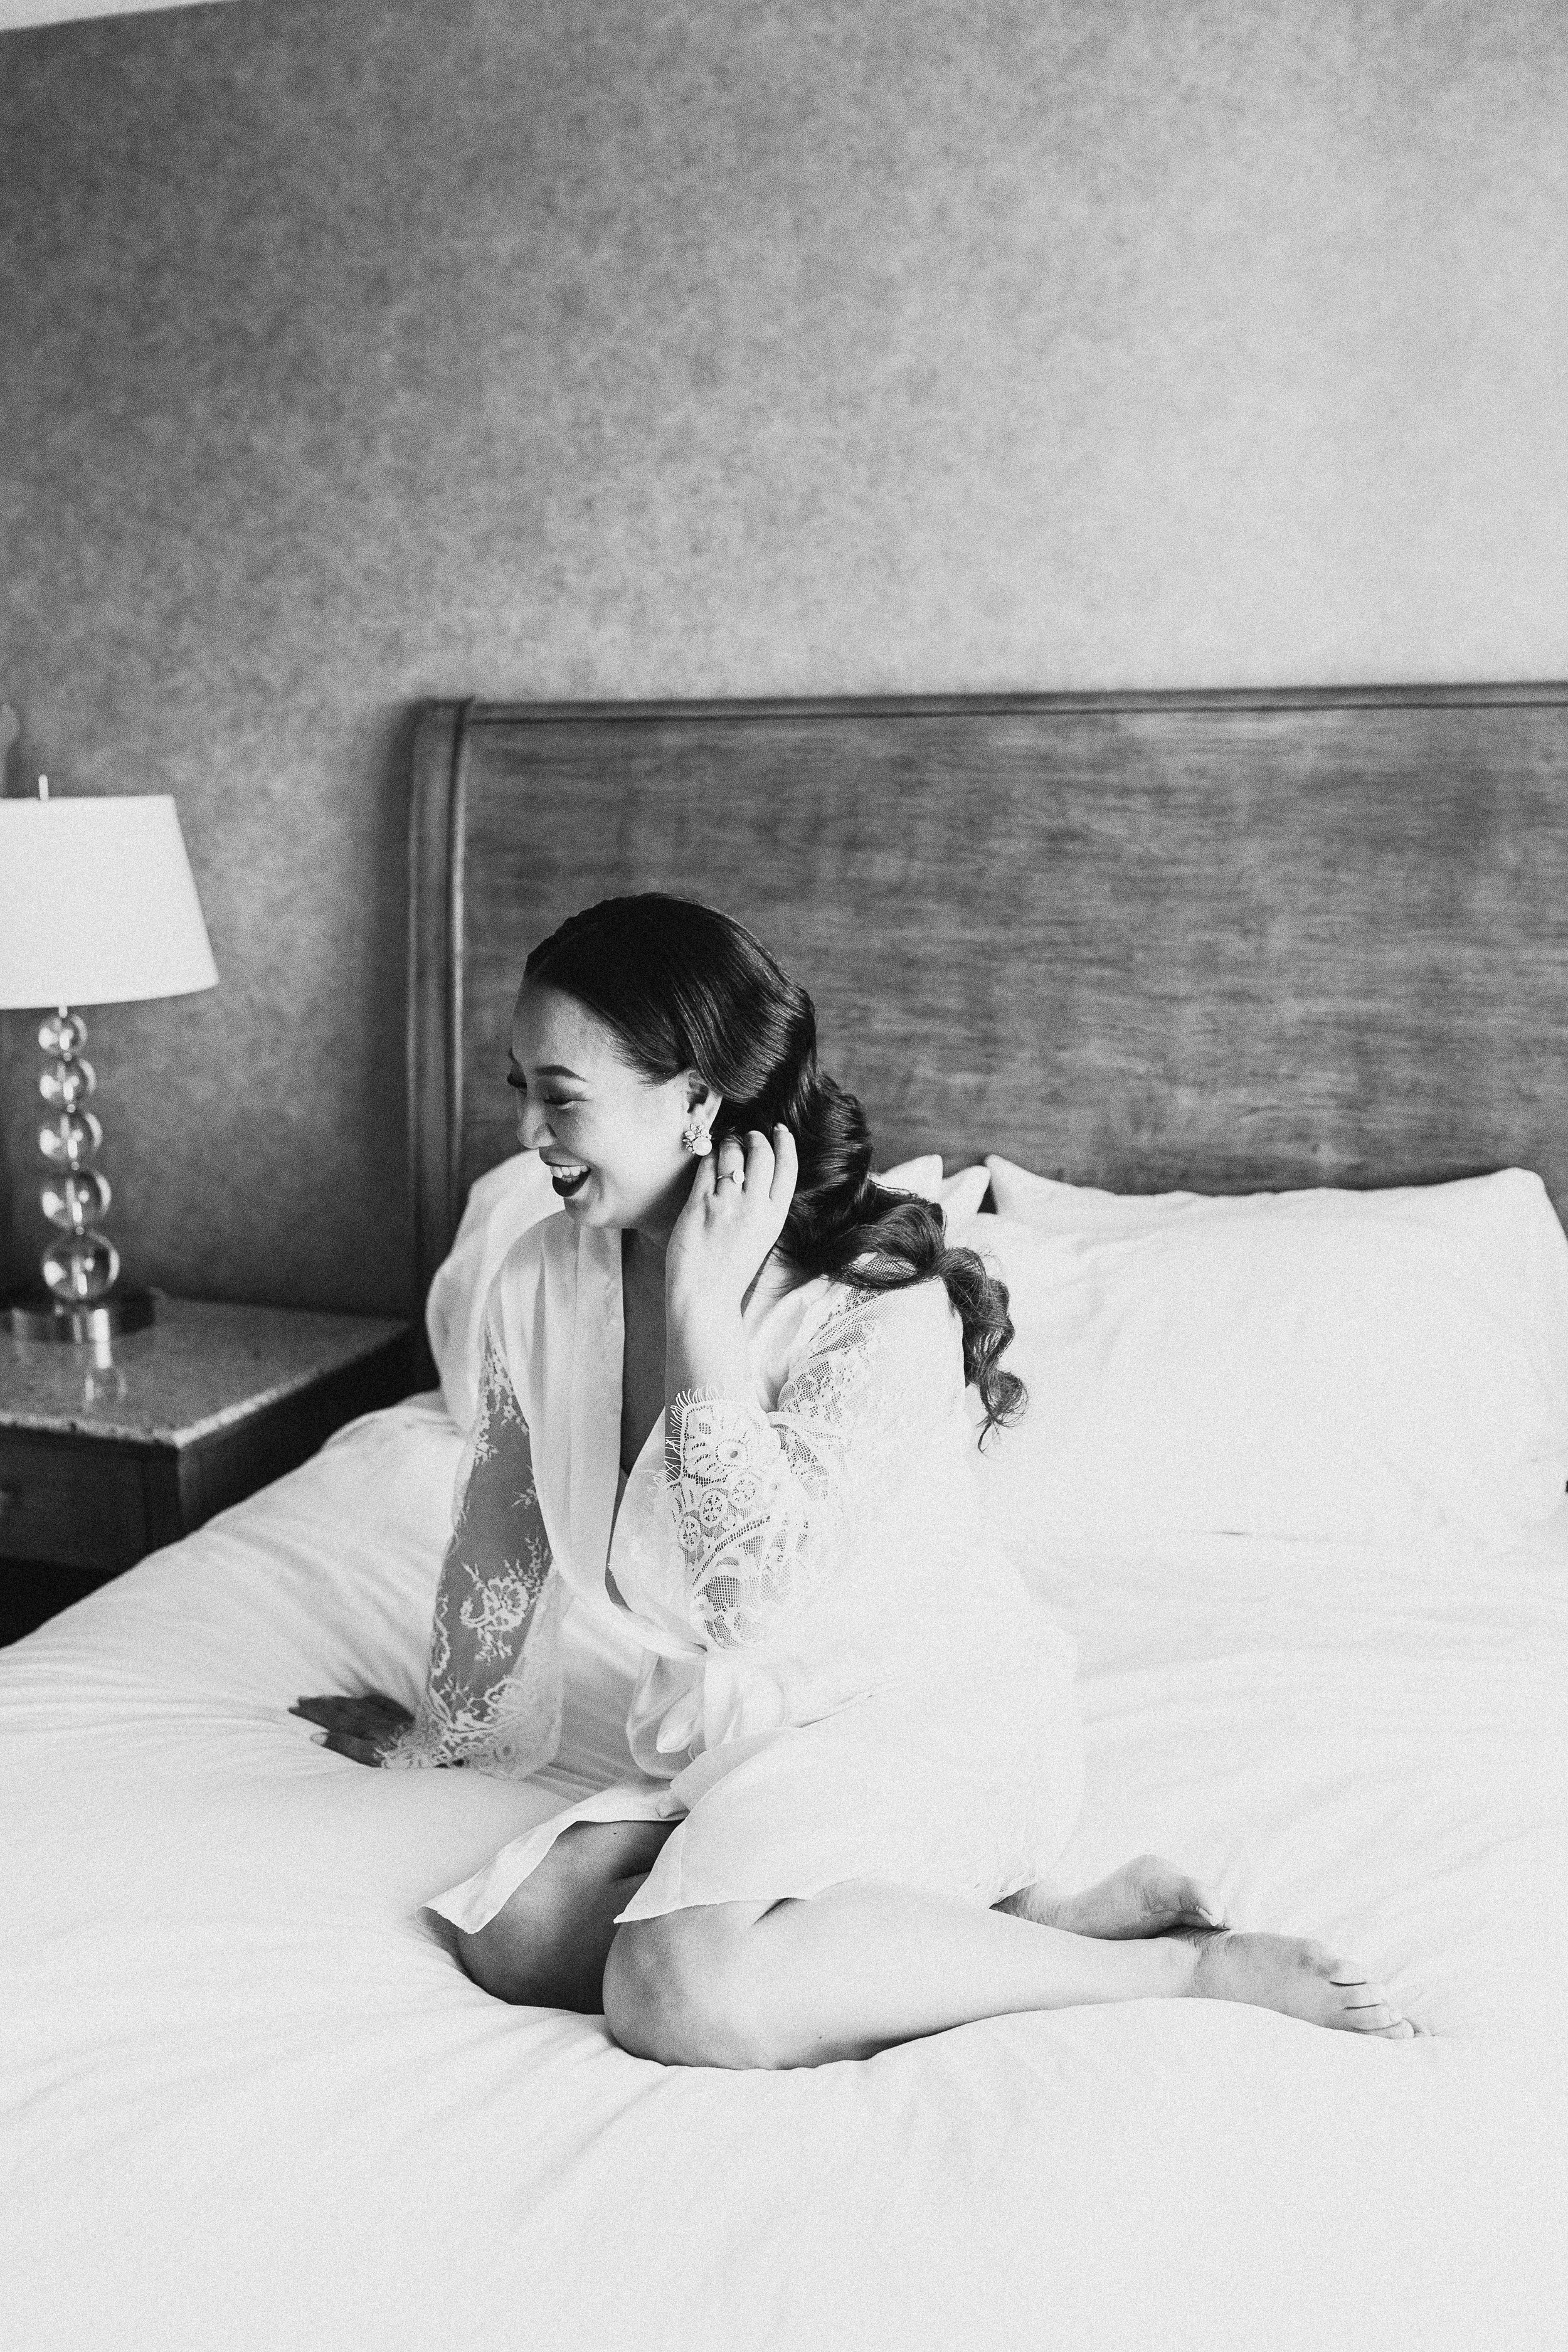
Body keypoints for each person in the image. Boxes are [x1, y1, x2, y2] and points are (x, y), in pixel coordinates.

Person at [292, 894, 1417, 2065]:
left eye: (562, 1095)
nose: (529, 1130)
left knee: (675, 1990)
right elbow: (507, 1521)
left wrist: (697, 1314)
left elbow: (747, 1601)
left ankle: (1172, 1967)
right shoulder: (541, 1276)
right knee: (513, 1933)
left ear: (695, 1102)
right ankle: (1002, 1928)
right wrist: (449, 1730)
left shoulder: (880, 1309)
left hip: (926, 1720)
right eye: (519, 1085)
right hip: (741, 1743)